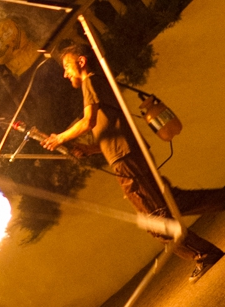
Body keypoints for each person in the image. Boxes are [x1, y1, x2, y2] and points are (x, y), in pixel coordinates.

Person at [41, 43, 225, 281]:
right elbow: (112, 126)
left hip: (126, 159)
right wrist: (90, 149)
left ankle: (204, 254)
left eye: (67, 66)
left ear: (82, 61)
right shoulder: (99, 83)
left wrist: (60, 138)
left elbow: (88, 121)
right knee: (172, 202)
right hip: (128, 154)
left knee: (155, 219)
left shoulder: (90, 82)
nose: (65, 74)